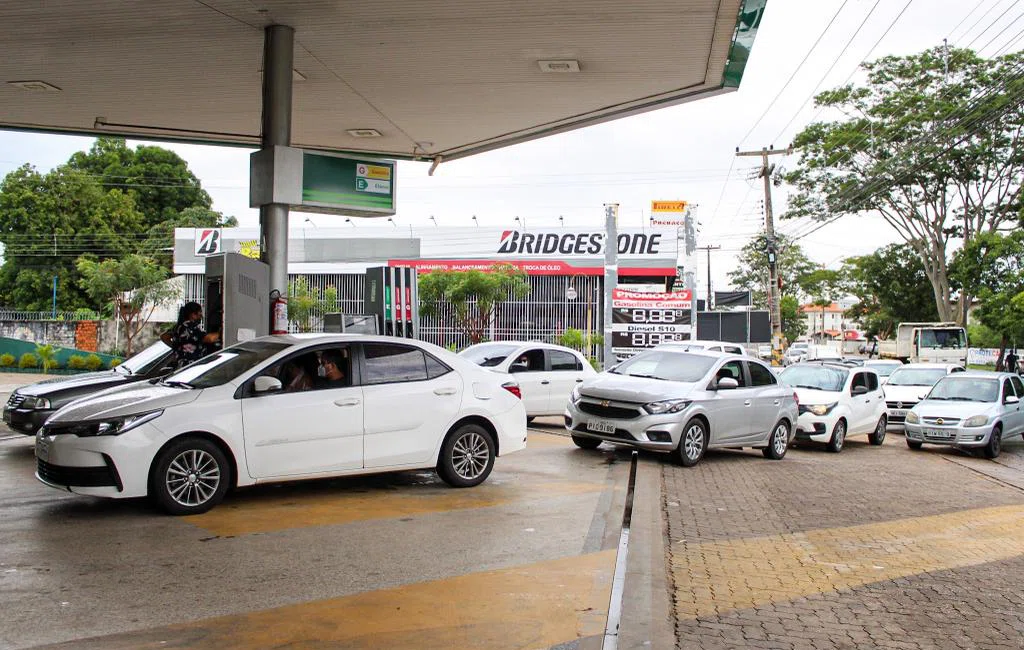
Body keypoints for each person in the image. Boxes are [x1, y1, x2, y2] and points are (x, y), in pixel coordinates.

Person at [161, 302, 220, 368]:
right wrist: (222, 331)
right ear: (193, 314)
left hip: (181, 365)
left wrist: (177, 347)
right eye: (200, 312)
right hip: (189, 366)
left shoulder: (179, 326)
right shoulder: (190, 327)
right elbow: (209, 339)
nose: (201, 315)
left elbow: (164, 337)